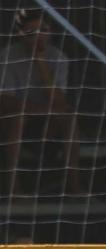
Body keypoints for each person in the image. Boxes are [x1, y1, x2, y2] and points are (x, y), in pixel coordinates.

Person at [0, 5, 80, 198]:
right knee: (18, 117)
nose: (38, 36)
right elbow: (5, 103)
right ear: (20, 34)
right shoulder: (8, 56)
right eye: (30, 32)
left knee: (68, 118)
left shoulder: (59, 58)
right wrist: (45, 109)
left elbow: (61, 103)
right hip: (14, 120)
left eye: (43, 30)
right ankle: (14, 190)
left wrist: (42, 64)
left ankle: (75, 187)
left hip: (46, 122)